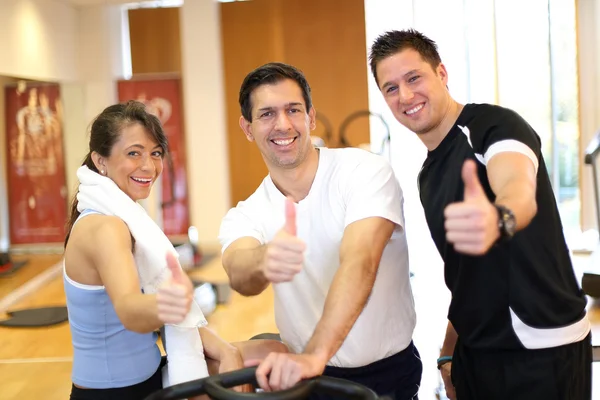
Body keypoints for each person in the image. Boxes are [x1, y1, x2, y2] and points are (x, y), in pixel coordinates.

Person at [369, 29, 592, 400]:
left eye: (413, 78)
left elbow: (518, 187)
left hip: (541, 348)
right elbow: (466, 276)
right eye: (390, 88)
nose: (405, 96)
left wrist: (498, 218)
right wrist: (447, 350)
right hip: (476, 352)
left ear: (441, 73)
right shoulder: (427, 175)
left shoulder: (494, 126)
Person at [219, 63, 422, 400]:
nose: (282, 124)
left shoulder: (364, 171)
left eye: (293, 110)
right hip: (306, 380)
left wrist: (315, 354)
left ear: (310, 117)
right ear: (248, 128)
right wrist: (264, 259)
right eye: (267, 114)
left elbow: (361, 262)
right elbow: (239, 274)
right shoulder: (247, 213)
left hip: (386, 375)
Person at [63, 100, 286, 400]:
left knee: (272, 351)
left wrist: (225, 349)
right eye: (133, 153)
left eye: (155, 153)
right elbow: (129, 309)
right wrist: (167, 304)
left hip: (149, 375)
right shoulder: (107, 227)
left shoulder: (123, 217)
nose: (148, 166)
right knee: (269, 361)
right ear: (100, 160)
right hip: (119, 393)